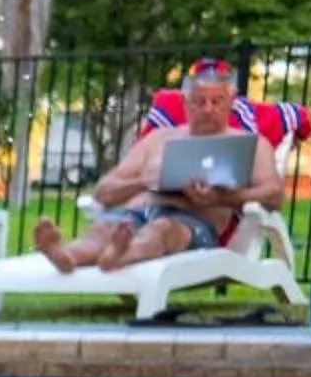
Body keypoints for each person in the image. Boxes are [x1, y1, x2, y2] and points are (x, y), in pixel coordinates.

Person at [36, 58, 285, 276]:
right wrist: (145, 180)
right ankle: (66, 256)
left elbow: (273, 194)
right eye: (200, 101)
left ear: (230, 101)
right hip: (135, 213)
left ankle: (120, 255)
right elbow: (104, 191)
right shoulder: (158, 139)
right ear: (185, 103)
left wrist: (223, 196)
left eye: (217, 101)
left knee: (161, 230)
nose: (208, 109)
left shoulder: (249, 144)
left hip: (190, 222)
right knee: (105, 229)